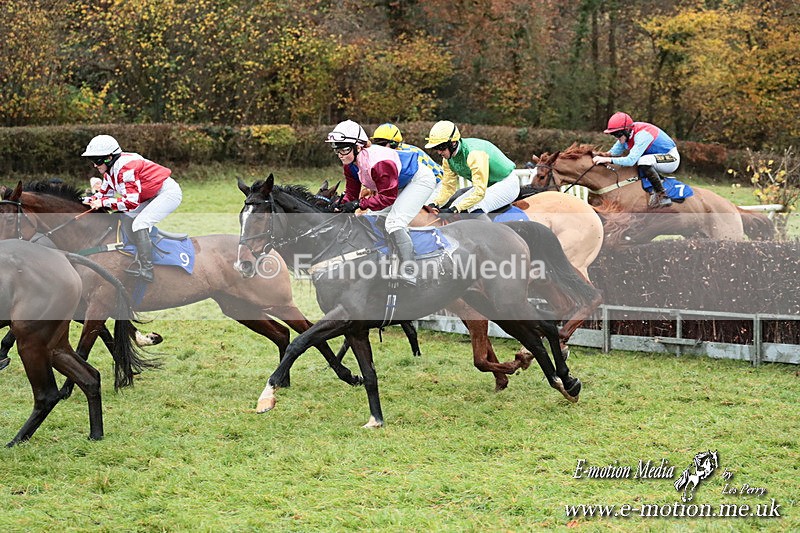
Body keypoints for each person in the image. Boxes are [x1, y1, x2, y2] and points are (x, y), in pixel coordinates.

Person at [327, 120, 436, 286]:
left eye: (344, 148)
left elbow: (387, 197)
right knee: (375, 218)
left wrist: (358, 204)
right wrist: (341, 206)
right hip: (398, 183)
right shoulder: (350, 165)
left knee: (394, 222)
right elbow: (351, 192)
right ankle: (390, 261)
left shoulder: (379, 162)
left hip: (419, 179)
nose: (340, 154)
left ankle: (410, 271)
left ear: (358, 147)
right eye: (337, 149)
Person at [82, 134, 182, 282]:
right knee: (126, 217)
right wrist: (82, 200)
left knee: (140, 223)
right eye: (92, 161)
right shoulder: (110, 171)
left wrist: (102, 203)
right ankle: (132, 254)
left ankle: (148, 270)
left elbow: (131, 203)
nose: (94, 165)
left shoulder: (125, 168)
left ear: (109, 157)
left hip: (167, 193)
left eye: (97, 161)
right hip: (148, 195)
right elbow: (103, 195)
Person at [424, 120, 519, 216]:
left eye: (441, 147)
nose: (439, 152)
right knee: (456, 204)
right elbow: (448, 188)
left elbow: (479, 192)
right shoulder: (447, 160)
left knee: (474, 207)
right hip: (487, 185)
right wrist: (435, 203)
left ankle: (487, 231)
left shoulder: (474, 154)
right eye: (436, 148)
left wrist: (455, 209)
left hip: (506, 183)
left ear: (453, 143)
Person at [592, 111, 679, 208]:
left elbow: (630, 161)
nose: (617, 138)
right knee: (643, 160)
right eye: (614, 135)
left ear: (626, 130)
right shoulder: (627, 134)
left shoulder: (642, 135)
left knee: (642, 161)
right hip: (654, 159)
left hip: (671, 158)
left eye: (618, 135)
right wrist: (595, 155)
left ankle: (662, 195)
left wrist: (607, 160)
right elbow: (612, 153)